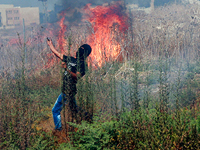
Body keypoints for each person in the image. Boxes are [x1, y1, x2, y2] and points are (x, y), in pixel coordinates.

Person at [47, 38, 92, 131]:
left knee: (55, 111)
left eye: (81, 50)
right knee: (74, 110)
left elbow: (77, 76)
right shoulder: (71, 59)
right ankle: (87, 117)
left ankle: (58, 129)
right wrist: (50, 45)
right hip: (68, 90)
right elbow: (58, 54)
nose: (78, 51)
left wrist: (66, 69)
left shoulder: (83, 65)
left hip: (68, 90)